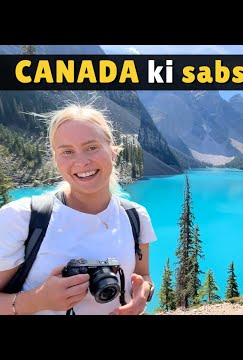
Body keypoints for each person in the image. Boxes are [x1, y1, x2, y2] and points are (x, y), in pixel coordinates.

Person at [0, 102, 157, 315]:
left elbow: (143, 276)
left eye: (91, 147)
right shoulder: (22, 218)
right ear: (56, 160)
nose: (81, 161)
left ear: (112, 151)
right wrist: (36, 301)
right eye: (67, 152)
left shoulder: (135, 217)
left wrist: (144, 294)